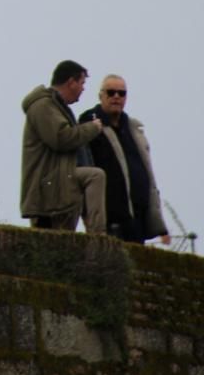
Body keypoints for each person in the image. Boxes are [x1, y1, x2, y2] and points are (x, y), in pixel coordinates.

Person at [79, 74, 170, 245]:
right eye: (111, 92)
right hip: (109, 219)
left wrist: (159, 225)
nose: (116, 97)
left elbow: (149, 175)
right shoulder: (89, 124)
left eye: (121, 93)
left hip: (137, 219)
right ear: (101, 96)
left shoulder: (133, 129)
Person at [19, 60, 108, 232]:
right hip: (48, 187)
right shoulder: (43, 106)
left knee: (63, 240)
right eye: (82, 83)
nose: (83, 88)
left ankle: (95, 234)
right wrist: (92, 128)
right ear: (71, 82)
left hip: (60, 182)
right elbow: (61, 138)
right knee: (95, 176)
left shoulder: (57, 107)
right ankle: (98, 236)